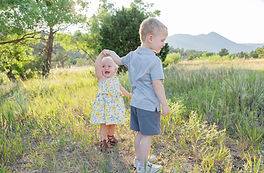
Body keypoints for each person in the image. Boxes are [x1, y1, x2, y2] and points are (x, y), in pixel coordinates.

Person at [104, 17, 170, 173]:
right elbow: (157, 84)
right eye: (162, 40)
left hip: (135, 103)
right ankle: (143, 166)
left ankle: (139, 159)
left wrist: (110, 52)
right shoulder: (154, 61)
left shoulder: (133, 55)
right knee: (147, 136)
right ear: (150, 38)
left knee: (139, 133)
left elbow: (118, 61)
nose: (163, 44)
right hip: (148, 105)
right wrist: (164, 104)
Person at [91, 52, 132, 152]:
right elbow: (97, 65)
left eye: (109, 66)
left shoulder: (116, 79)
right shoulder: (101, 78)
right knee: (104, 124)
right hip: (104, 106)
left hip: (114, 105)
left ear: (115, 69)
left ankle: (110, 136)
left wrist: (129, 95)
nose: (106, 68)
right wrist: (101, 55)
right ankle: (103, 141)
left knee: (113, 122)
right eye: (103, 66)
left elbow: (121, 88)